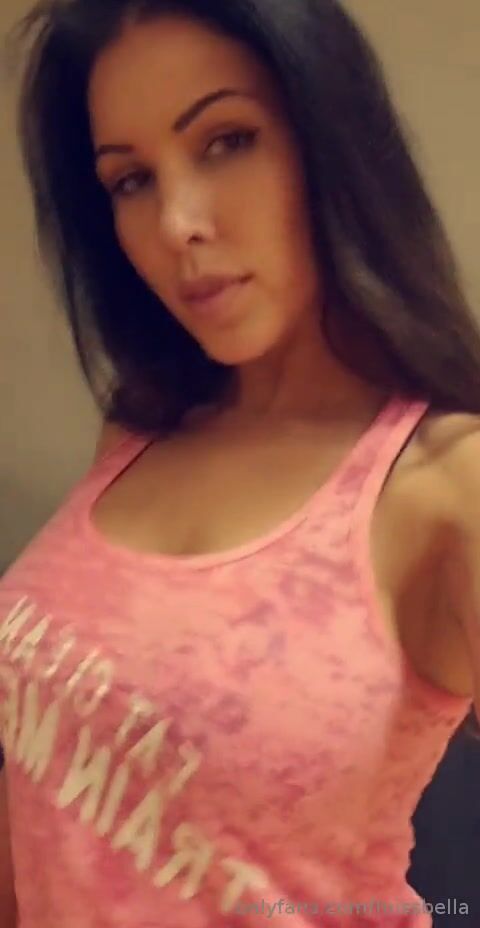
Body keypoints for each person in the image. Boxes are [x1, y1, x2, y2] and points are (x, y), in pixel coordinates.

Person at [1, 0, 480, 925]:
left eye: (226, 141)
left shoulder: (446, 484)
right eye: (131, 180)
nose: (177, 222)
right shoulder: (141, 425)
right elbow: (45, 796)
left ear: (330, 140)